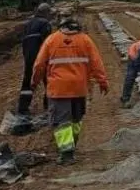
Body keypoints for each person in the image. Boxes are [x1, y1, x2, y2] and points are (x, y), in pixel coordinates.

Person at [31, 13, 109, 165]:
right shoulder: (85, 40)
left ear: (61, 26)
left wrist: (34, 82)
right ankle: (72, 144)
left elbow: (39, 65)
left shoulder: (52, 40)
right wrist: (103, 82)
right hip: (79, 88)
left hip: (58, 89)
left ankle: (67, 153)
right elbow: (96, 63)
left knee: (61, 122)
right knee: (76, 119)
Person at [18, 3, 52, 114]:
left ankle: (23, 108)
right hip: (40, 55)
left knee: (28, 79)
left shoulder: (29, 23)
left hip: (28, 55)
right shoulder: (45, 23)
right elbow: (48, 42)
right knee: (49, 79)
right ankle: (48, 105)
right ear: (46, 12)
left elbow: (24, 41)